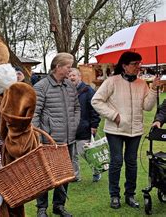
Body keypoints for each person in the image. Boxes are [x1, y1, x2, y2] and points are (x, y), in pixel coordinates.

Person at [91, 51, 161, 210]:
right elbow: (96, 101)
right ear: (124, 65)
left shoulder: (142, 84)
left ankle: (130, 194)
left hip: (135, 131)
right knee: (116, 162)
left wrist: (154, 89)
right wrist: (114, 115)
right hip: (115, 130)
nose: (138, 67)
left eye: (139, 63)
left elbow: (148, 107)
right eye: (135, 64)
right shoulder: (111, 81)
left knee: (132, 163)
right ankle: (114, 195)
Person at [32, 53, 80, 217]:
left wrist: (73, 125)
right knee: (45, 175)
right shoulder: (41, 86)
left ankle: (59, 206)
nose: (70, 70)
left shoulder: (70, 86)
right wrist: (38, 138)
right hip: (48, 140)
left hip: (68, 139)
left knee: (65, 175)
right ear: (58, 66)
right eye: (68, 66)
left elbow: (77, 108)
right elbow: (34, 115)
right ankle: (42, 208)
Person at [68, 68, 101, 182]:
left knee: (86, 153)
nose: (71, 77)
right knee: (72, 155)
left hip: (84, 127)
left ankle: (97, 170)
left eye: (74, 75)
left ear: (79, 77)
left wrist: (94, 125)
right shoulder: (66, 91)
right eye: (69, 76)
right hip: (70, 129)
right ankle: (75, 176)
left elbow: (94, 110)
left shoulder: (88, 90)